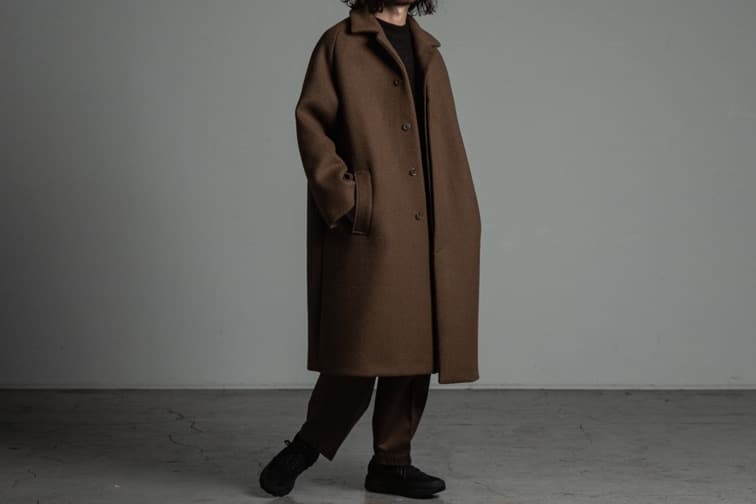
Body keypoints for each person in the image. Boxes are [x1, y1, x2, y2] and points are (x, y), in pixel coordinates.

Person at [259, 0, 481, 499]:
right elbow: (311, 123)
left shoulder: (428, 50)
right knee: (359, 345)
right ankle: (307, 445)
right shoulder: (340, 43)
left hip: (432, 216)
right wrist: (347, 197)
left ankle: (392, 463)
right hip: (374, 218)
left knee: (417, 347)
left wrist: (459, 210)